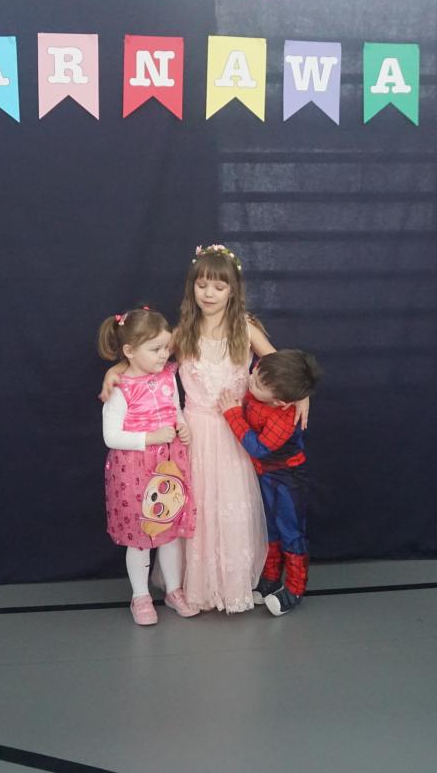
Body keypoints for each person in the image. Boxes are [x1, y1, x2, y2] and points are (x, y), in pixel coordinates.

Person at [99, 244, 309, 613]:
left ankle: (231, 583)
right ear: (192, 287)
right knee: (193, 508)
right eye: (202, 285)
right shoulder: (184, 332)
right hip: (191, 434)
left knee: (229, 507)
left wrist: (301, 395)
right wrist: (114, 370)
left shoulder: (245, 328)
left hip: (232, 433)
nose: (209, 294)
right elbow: (145, 357)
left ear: (233, 290)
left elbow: (279, 365)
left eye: (218, 287)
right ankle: (189, 587)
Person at [98, 306, 198, 625]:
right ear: (129, 351)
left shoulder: (168, 375)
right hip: (134, 471)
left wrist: (182, 426)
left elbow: (174, 408)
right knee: (140, 536)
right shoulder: (120, 387)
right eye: (155, 349)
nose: (164, 355)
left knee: (169, 532)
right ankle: (140, 595)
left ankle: (173, 589)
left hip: (168, 466)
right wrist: (151, 437)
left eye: (166, 347)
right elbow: (111, 436)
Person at [220, 349, 322, 616]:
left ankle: (295, 588)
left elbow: (258, 447)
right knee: (269, 530)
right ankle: (270, 578)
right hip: (263, 476)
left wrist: (232, 413)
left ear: (281, 402)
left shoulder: (284, 417)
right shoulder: (265, 376)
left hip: (286, 479)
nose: (251, 379)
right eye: (256, 373)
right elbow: (261, 360)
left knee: (290, 532)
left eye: (258, 384)